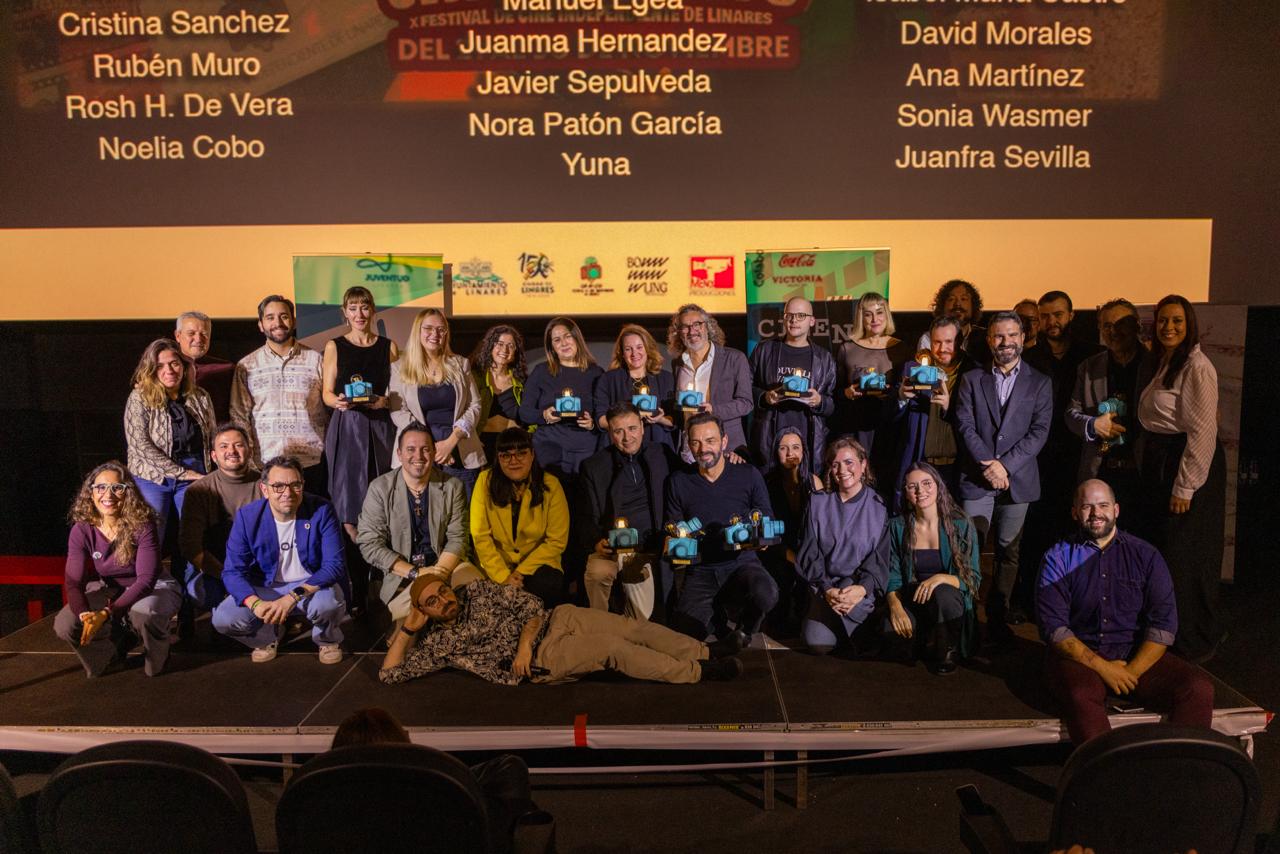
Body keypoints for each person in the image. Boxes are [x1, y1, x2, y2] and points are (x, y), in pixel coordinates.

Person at [1037, 479, 1213, 744]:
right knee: (1081, 694)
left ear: (1116, 510)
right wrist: (1105, 669)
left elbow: (1163, 626)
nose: (1096, 513)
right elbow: (1055, 630)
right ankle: (1107, 775)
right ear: (1075, 512)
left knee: (1198, 689)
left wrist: (1130, 671)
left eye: (1103, 505)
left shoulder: (1146, 556)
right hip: (1079, 658)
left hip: (1133, 656)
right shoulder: (1057, 558)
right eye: (1087, 506)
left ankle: (1179, 770)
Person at [379, 574, 744, 686]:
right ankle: (699, 673)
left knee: (634, 627)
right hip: (543, 658)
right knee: (615, 648)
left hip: (556, 619)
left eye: (441, 590)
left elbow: (531, 605)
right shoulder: (440, 644)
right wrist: (410, 630)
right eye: (432, 601)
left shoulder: (474, 589)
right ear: (423, 610)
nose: (443, 599)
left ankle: (705, 651)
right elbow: (389, 674)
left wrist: (523, 641)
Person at [1136, 295, 1226, 662]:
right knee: (1168, 551)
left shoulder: (1197, 366)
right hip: (1165, 460)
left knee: (1184, 555)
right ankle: (1168, 634)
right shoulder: (1166, 361)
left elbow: (1203, 432)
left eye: (1176, 321)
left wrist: (1185, 486)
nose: (1168, 327)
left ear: (1189, 324)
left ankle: (1192, 640)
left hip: (1187, 466)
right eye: (1162, 321)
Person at [953, 311, 1052, 642]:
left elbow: (1039, 432)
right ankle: (965, 617)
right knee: (970, 550)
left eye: (1012, 336)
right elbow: (964, 425)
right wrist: (988, 464)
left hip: (1018, 480)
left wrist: (1005, 466)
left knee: (1009, 551)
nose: (1005, 342)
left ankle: (997, 618)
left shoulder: (1040, 382)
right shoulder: (971, 379)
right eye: (998, 336)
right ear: (989, 339)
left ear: (1023, 338)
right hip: (977, 479)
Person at [212, 456, 349, 664]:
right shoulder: (247, 517)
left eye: (295, 485)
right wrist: (256, 604)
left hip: (309, 587)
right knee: (223, 619)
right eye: (278, 486)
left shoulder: (321, 509)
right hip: (266, 587)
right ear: (264, 489)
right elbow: (232, 572)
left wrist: (291, 597)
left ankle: (327, 639)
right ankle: (268, 637)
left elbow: (334, 565)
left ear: (303, 485)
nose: (288, 493)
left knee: (328, 604)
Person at [54, 462, 181, 677]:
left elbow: (146, 580)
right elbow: (74, 582)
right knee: (66, 623)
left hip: (153, 587)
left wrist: (106, 613)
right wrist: (86, 615)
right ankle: (114, 650)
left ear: (128, 493)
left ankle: (159, 653)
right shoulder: (82, 529)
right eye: (101, 487)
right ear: (90, 492)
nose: (108, 495)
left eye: (117, 488)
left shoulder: (142, 524)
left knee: (144, 614)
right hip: (111, 588)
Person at [1021, 290, 1104, 617]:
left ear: (1071, 315)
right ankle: (1032, 601)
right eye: (1045, 316)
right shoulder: (1028, 358)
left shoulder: (1093, 356)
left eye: (1058, 314)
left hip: (1081, 457)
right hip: (1037, 459)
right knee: (1036, 533)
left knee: (1079, 531)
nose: (1051, 322)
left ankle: (1079, 600)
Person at [665, 413, 779, 643]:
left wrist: (761, 538)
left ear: (724, 442)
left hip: (741, 564)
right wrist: (673, 543)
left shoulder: (747, 474)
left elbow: (766, 516)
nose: (703, 448)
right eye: (695, 442)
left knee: (766, 593)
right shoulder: (678, 481)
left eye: (710, 441)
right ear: (688, 444)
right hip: (701, 570)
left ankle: (746, 630)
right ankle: (716, 621)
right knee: (685, 634)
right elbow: (673, 528)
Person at [357, 422, 477, 623]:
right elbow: (369, 544)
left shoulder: (452, 486)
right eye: (411, 450)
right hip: (403, 575)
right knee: (408, 625)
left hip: (445, 567)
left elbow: (458, 537)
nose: (419, 456)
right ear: (399, 453)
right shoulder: (380, 488)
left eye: (425, 449)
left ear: (433, 451)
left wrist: (439, 574)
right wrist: (417, 573)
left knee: (479, 591)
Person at [794, 437, 890, 655]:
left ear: (863, 465)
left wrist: (861, 589)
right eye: (835, 464)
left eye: (849, 463)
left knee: (863, 646)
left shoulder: (879, 507)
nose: (842, 470)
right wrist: (828, 590)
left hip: (857, 587)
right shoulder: (818, 502)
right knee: (818, 643)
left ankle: (858, 622)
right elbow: (810, 552)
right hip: (824, 586)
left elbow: (879, 558)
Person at [884, 463, 982, 674]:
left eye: (927, 483)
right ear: (906, 493)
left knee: (943, 594)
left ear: (938, 486)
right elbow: (893, 575)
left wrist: (940, 578)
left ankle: (948, 649)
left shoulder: (961, 524)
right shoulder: (897, 526)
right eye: (913, 486)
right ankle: (923, 637)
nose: (921, 491)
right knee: (891, 637)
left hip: (948, 601)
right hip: (914, 599)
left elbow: (973, 579)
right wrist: (895, 606)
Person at [579, 403, 672, 620]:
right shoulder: (594, 466)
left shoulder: (662, 454)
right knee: (597, 572)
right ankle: (599, 631)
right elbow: (585, 516)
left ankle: (636, 632)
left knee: (643, 612)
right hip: (613, 546)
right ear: (610, 433)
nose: (626, 437)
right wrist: (595, 542)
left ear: (642, 427)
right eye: (618, 431)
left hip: (652, 542)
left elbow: (686, 486)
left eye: (631, 428)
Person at [123, 338, 216, 552]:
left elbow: (212, 436)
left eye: (174, 363)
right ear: (151, 369)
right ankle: (147, 584)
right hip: (152, 476)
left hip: (195, 473)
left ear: (183, 366)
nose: (169, 370)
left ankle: (194, 585)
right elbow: (140, 445)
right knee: (150, 537)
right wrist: (182, 473)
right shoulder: (139, 398)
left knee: (196, 536)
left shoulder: (200, 397)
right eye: (160, 366)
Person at [321, 286, 398, 542]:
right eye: (353, 308)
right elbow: (327, 394)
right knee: (347, 487)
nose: (359, 314)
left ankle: (381, 543)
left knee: (382, 482)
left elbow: (398, 393)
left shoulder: (389, 347)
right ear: (345, 312)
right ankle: (353, 545)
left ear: (373, 310)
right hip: (349, 423)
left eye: (364, 307)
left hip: (380, 424)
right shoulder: (335, 346)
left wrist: (384, 401)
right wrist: (339, 402)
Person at [231, 295, 328, 495]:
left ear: (294, 321)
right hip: (265, 462)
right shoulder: (246, 366)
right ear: (260, 325)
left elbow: (330, 408)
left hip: (311, 461)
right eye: (270, 317)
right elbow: (239, 416)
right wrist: (248, 461)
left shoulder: (316, 360)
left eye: (284, 316)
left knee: (310, 522)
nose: (278, 323)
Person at [390, 308, 485, 499]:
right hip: (417, 456)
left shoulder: (460, 364)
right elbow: (398, 411)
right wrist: (431, 447)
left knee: (459, 520)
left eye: (441, 329)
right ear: (418, 331)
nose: (435, 334)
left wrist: (450, 442)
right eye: (429, 328)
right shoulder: (399, 367)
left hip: (459, 455)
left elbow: (475, 405)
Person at [470, 427, 569, 608]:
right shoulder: (485, 481)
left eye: (521, 454)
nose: (513, 461)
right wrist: (503, 576)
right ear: (498, 458)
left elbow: (556, 541)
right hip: (497, 566)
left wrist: (520, 573)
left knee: (547, 583)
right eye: (506, 455)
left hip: (537, 565)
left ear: (532, 455)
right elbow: (480, 535)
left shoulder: (551, 485)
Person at [1065, 298, 1145, 507]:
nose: (1114, 331)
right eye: (1107, 325)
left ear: (1137, 326)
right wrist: (1093, 425)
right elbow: (1071, 414)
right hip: (1100, 470)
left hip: (1143, 474)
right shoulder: (1089, 367)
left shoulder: (1155, 365)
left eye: (1121, 324)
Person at [178, 423, 261, 612]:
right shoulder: (198, 490)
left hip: (260, 569)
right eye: (224, 446)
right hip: (218, 570)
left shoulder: (266, 486)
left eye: (238, 445)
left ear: (249, 450)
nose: (231, 451)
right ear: (213, 456)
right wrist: (229, 578)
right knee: (196, 593)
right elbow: (190, 545)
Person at [893, 315, 975, 504]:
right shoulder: (913, 368)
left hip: (960, 466)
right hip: (921, 460)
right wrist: (901, 398)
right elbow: (890, 418)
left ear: (960, 341)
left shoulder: (974, 371)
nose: (942, 348)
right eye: (937, 342)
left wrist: (949, 407)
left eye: (948, 342)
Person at [750, 296, 837, 469]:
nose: (794, 320)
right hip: (770, 434)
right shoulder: (765, 350)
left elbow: (833, 404)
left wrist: (820, 401)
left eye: (800, 315)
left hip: (809, 436)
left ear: (812, 321)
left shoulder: (824, 358)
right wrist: (764, 397)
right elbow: (745, 387)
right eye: (789, 315)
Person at [667, 304, 753, 463]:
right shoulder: (677, 365)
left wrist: (714, 410)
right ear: (678, 332)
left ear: (708, 327)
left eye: (697, 324)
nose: (692, 331)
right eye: (685, 327)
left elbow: (746, 403)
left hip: (726, 453)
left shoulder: (734, 359)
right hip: (689, 454)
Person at [833, 292, 910, 469]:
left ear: (887, 315)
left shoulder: (902, 348)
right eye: (868, 314)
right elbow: (835, 392)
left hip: (891, 427)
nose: (875, 319)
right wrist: (847, 393)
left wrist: (894, 394)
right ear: (861, 317)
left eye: (880, 312)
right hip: (856, 427)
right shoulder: (847, 348)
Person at [761, 427, 823, 636]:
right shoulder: (767, 483)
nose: (790, 453)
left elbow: (822, 529)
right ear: (775, 452)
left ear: (804, 451)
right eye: (783, 448)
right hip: (777, 549)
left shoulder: (814, 482)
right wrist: (790, 556)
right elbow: (765, 530)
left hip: (807, 550)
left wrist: (805, 558)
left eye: (796, 447)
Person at [594, 324, 676, 451]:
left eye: (639, 347)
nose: (634, 353)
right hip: (621, 447)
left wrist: (660, 419)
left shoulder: (666, 378)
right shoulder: (607, 380)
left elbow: (674, 420)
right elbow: (601, 420)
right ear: (621, 353)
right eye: (628, 349)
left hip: (658, 446)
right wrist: (626, 425)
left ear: (647, 349)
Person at [470, 324, 530, 461]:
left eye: (511, 345)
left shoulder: (522, 382)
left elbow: (531, 417)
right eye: (500, 344)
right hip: (482, 444)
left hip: (514, 446)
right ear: (490, 347)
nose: (505, 349)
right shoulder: (475, 377)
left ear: (516, 351)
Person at [174, 310, 233, 422]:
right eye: (191, 333)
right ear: (178, 335)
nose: (198, 339)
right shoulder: (163, 369)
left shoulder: (226, 369)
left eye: (204, 334)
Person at [917, 279, 990, 364]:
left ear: (973, 305)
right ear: (942, 306)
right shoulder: (928, 339)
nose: (957, 304)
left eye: (963, 299)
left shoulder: (985, 337)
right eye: (951, 299)